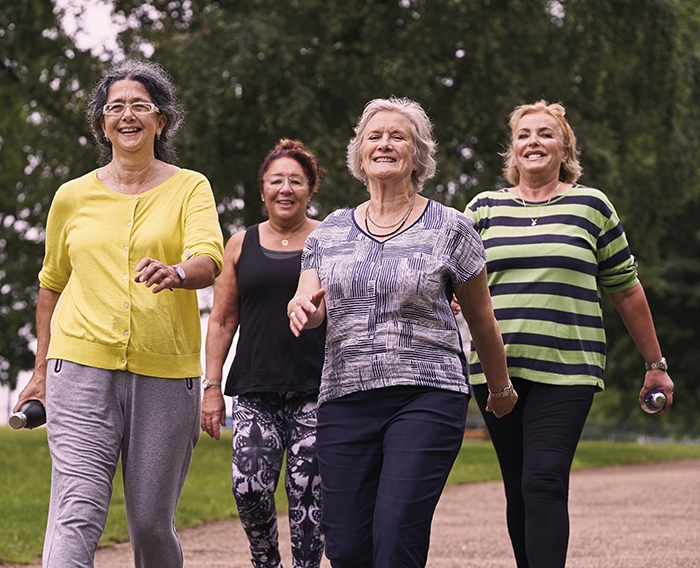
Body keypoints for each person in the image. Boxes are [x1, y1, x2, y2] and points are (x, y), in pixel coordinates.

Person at [287, 97, 517, 568]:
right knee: (347, 547)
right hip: (344, 397)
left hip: (426, 396)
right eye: (374, 136)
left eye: (398, 137)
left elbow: (480, 318)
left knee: (395, 540)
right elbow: (310, 305)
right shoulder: (328, 232)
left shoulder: (451, 228)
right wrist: (301, 308)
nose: (385, 144)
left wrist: (500, 387)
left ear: (418, 154)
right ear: (359, 153)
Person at [13, 59, 224, 568]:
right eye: (114, 108)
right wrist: (40, 373)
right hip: (79, 367)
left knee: (151, 524)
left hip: (166, 373)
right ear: (102, 124)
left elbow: (209, 259)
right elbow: (51, 287)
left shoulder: (190, 187)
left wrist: (176, 273)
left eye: (139, 106)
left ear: (161, 120)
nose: (126, 116)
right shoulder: (72, 196)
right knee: (76, 509)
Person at [464, 100, 675, 568]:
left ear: (565, 149)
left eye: (546, 134)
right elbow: (456, 282)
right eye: (524, 134)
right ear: (512, 149)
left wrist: (655, 366)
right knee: (519, 484)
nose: (533, 142)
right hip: (497, 371)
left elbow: (625, 290)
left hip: (568, 370)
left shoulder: (591, 205)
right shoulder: (483, 208)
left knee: (543, 480)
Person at [202, 139, 327, 568]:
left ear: (310, 189)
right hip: (256, 389)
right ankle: (265, 560)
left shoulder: (331, 238)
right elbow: (220, 320)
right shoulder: (238, 245)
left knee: (309, 493)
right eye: (276, 180)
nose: (285, 188)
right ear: (262, 191)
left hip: (317, 387)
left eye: (296, 180)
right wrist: (212, 387)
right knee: (249, 488)